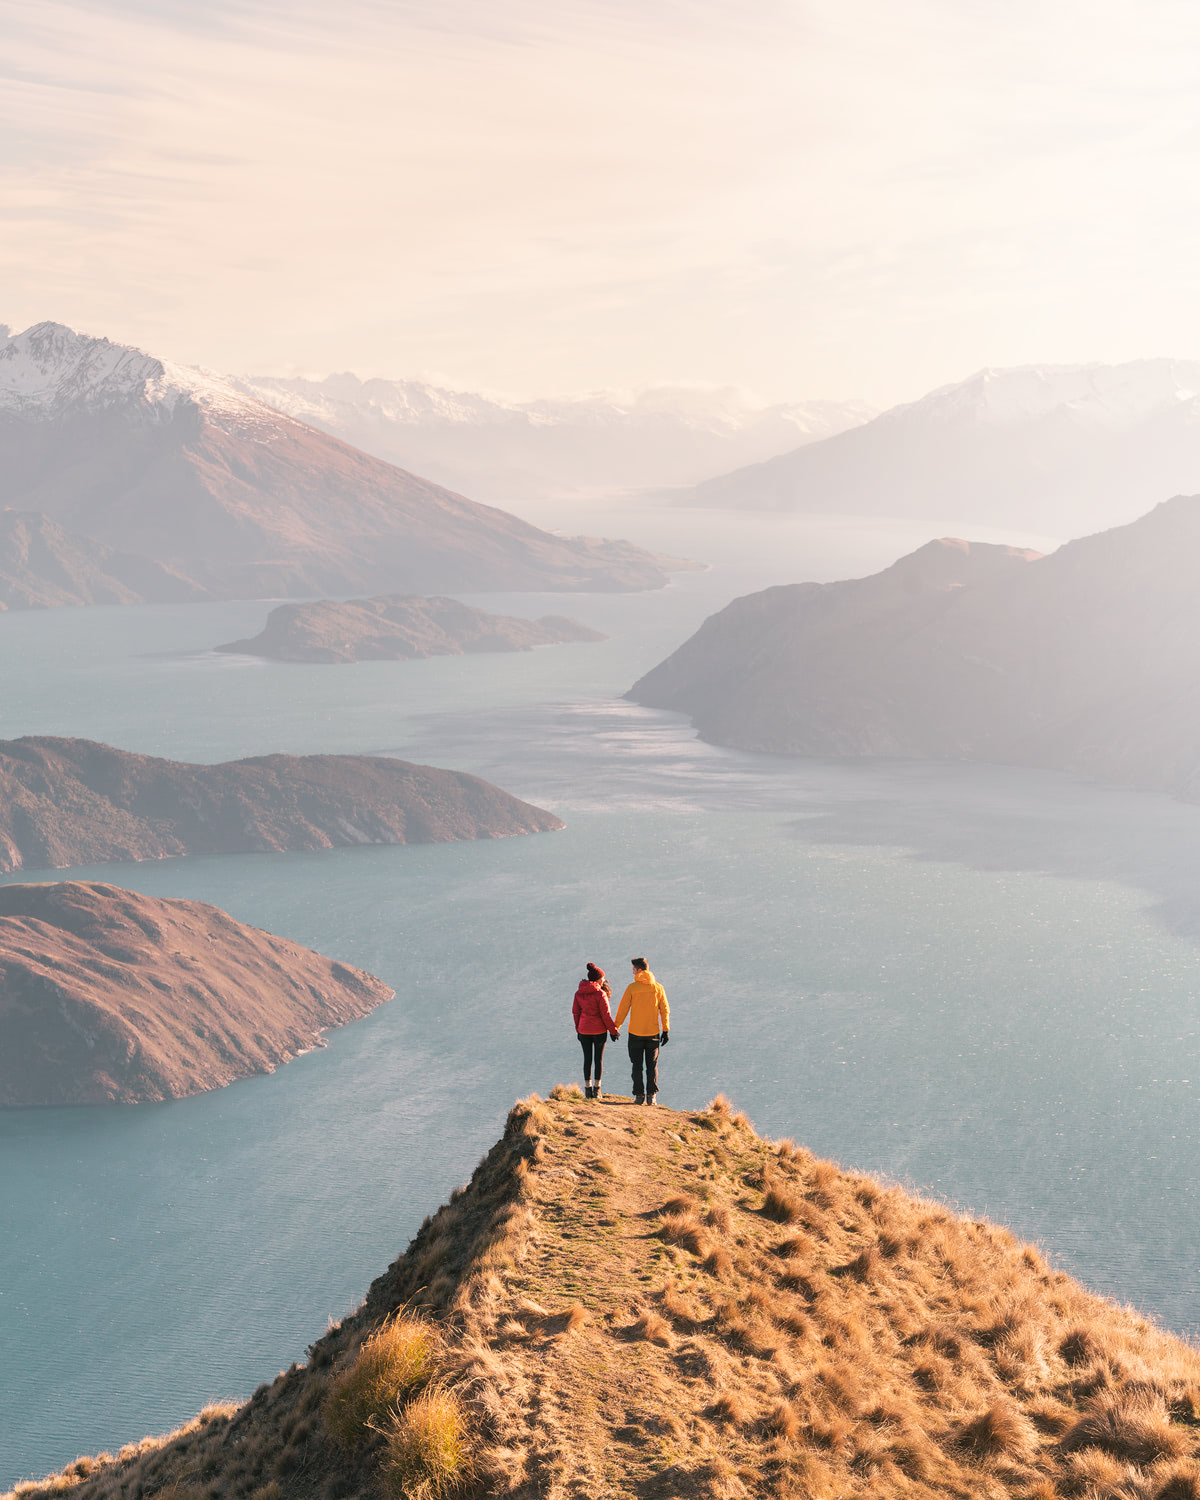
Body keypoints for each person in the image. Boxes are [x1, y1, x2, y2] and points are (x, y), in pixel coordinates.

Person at [614, 957, 670, 1105]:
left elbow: (623, 1010)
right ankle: (652, 1096)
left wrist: (615, 1028)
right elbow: (665, 1010)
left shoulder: (632, 988)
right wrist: (666, 1030)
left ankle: (639, 1096)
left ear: (639, 969)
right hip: (653, 1033)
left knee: (636, 1066)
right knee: (652, 1066)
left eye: (633, 969)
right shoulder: (658, 988)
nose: (632, 972)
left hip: (635, 1034)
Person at [572, 962, 619, 1099]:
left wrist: (578, 1029)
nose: (604, 980)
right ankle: (597, 1090)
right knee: (598, 1059)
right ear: (598, 979)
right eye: (602, 977)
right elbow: (606, 1015)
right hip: (599, 1032)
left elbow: (576, 1012)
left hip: (583, 1031)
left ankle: (587, 1089)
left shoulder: (578, 993)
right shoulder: (600, 994)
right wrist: (613, 1031)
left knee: (587, 1059)